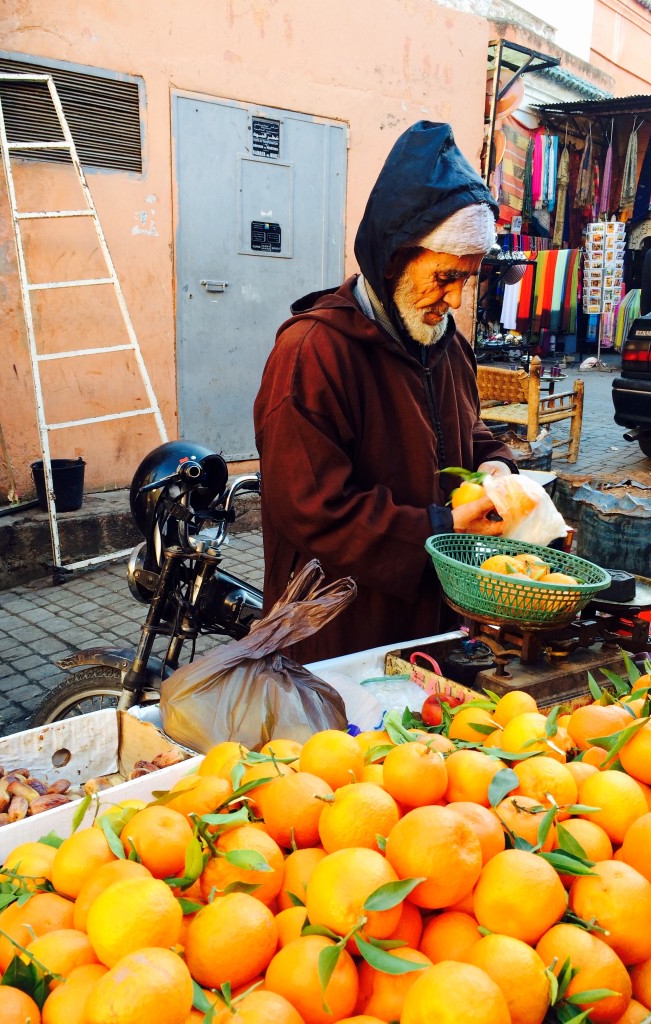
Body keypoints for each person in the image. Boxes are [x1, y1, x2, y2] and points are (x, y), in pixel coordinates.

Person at [254, 120, 518, 664]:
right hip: (342, 634)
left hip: (433, 623)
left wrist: (498, 469)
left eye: (465, 280)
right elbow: (313, 507)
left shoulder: (445, 344)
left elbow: (471, 432)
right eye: (444, 277)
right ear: (395, 256)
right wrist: (440, 528)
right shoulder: (313, 353)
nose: (454, 297)